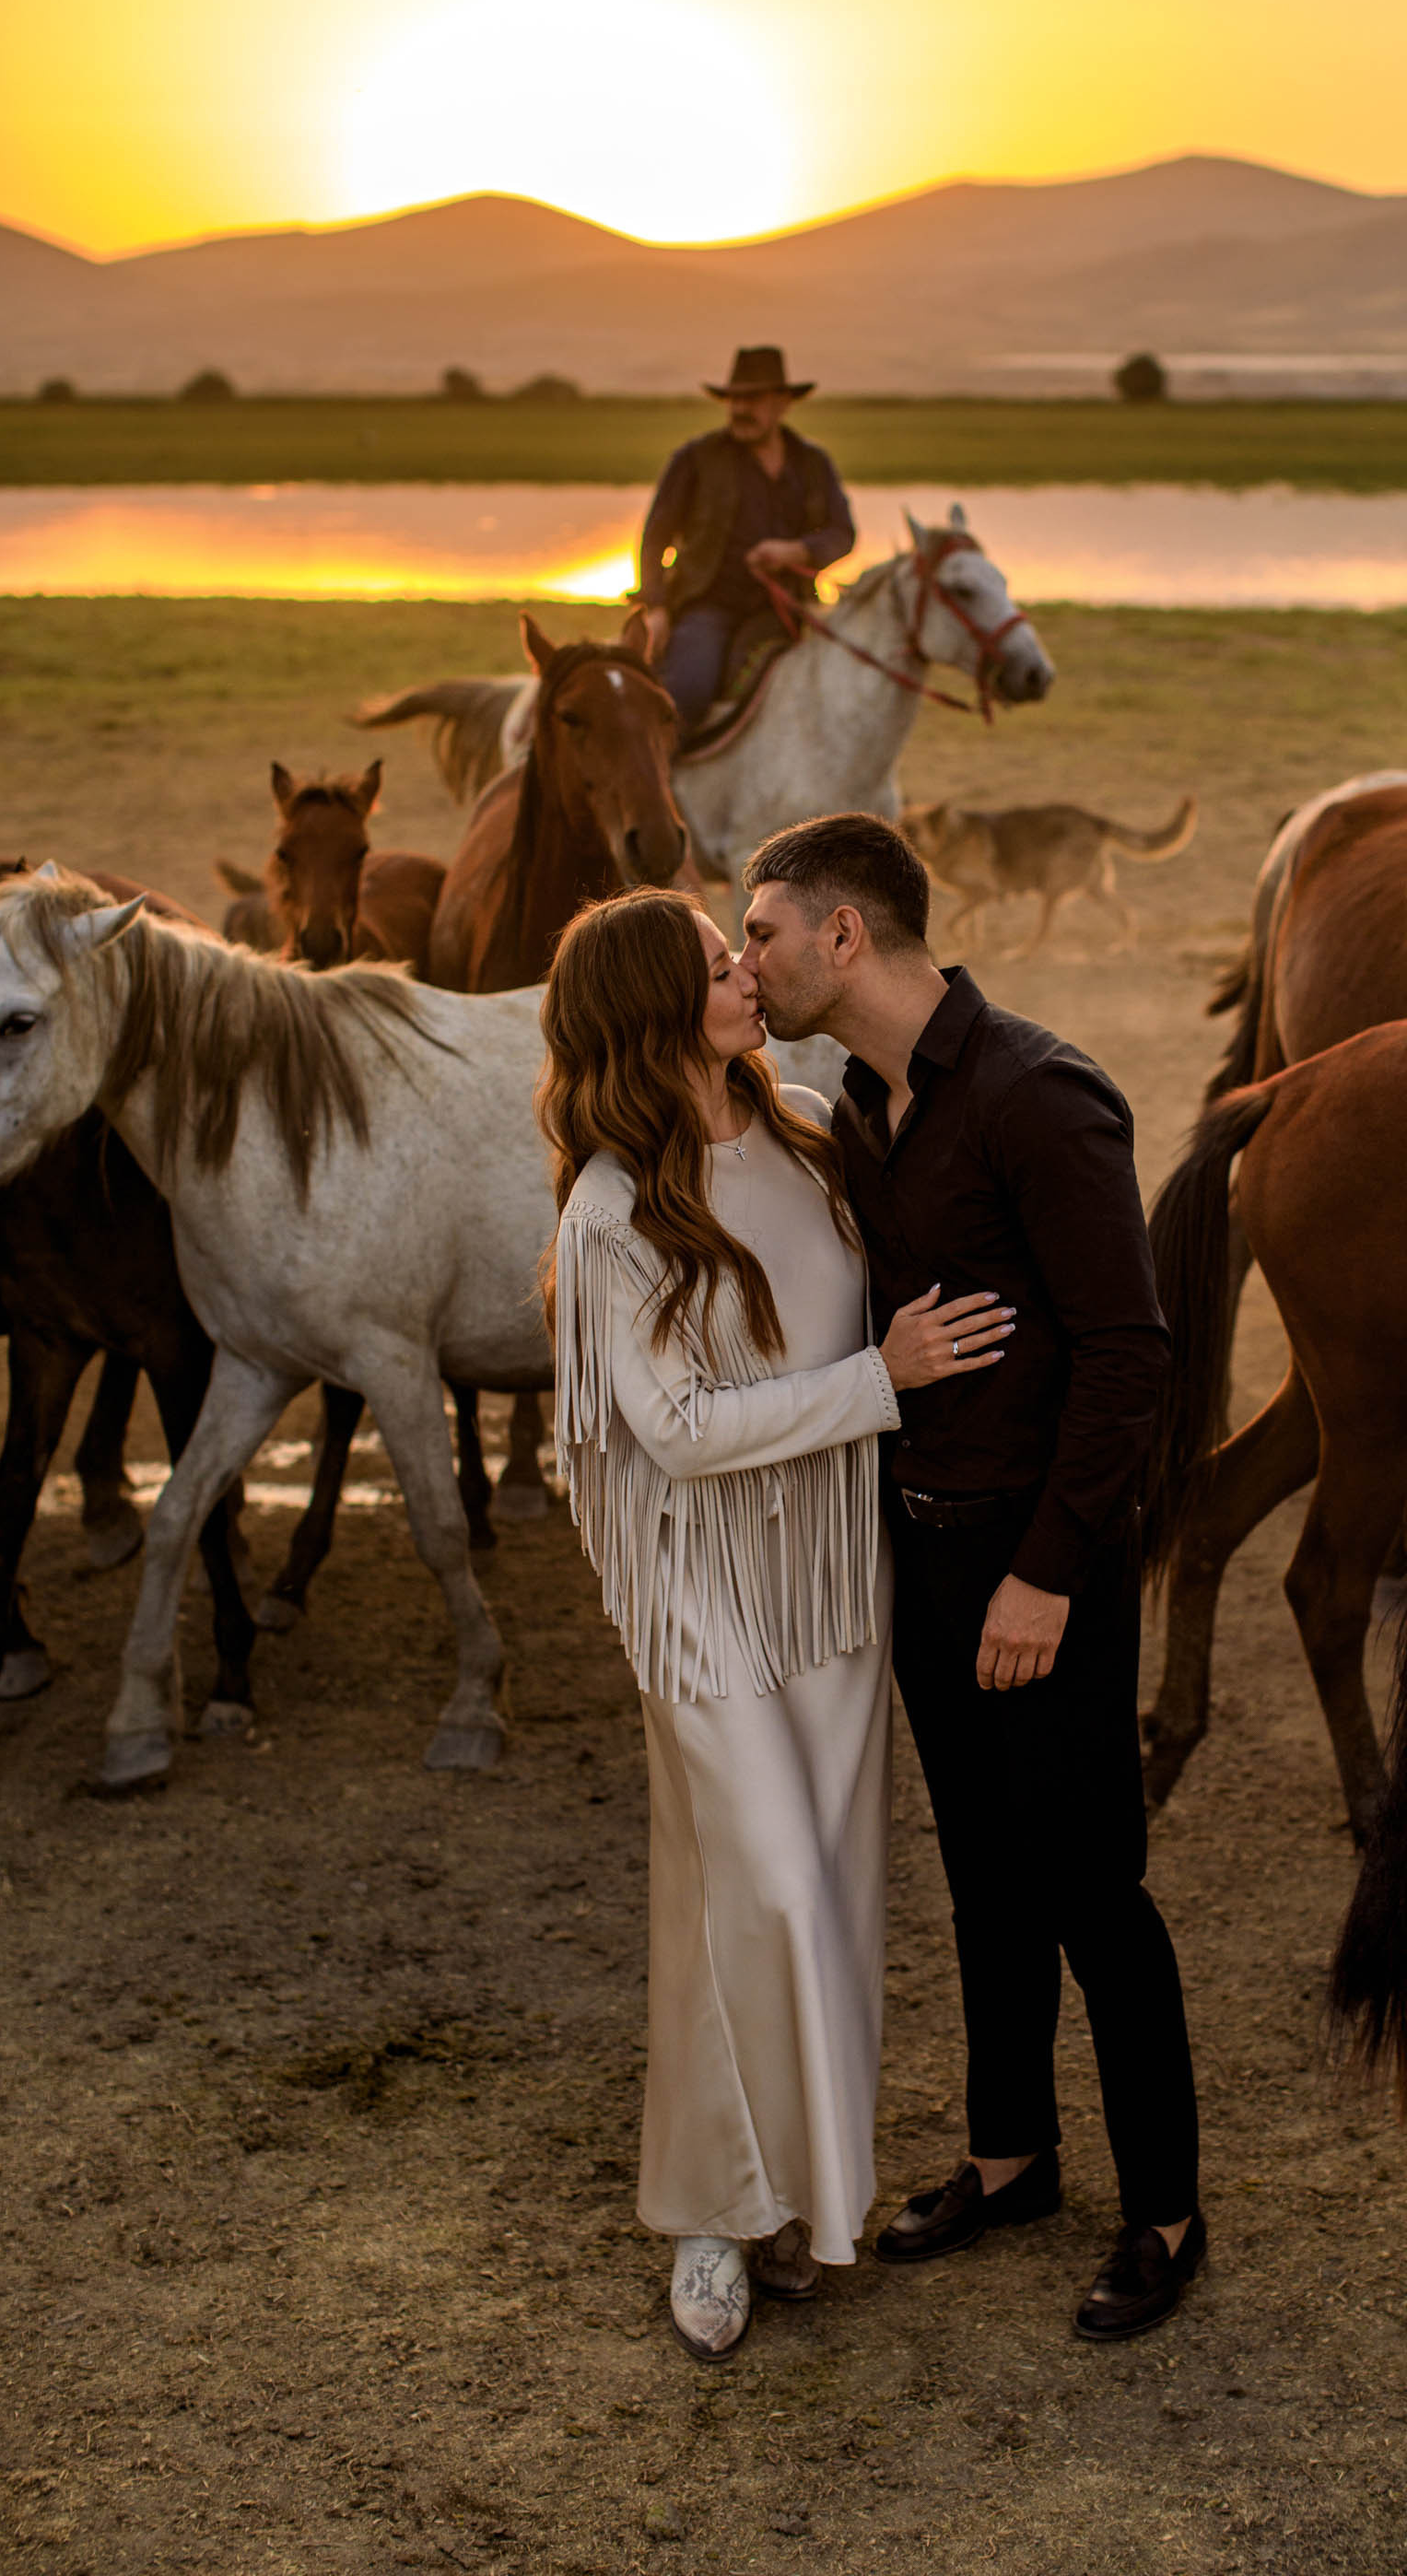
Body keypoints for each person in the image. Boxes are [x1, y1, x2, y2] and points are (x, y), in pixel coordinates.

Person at [737, 814, 1204, 2342]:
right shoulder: (864, 1108)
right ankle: (1011, 2161)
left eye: (763, 934)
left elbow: (1132, 1358)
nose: (749, 961)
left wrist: (1048, 1576)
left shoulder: (1039, 1097)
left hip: (1036, 1568)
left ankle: (1166, 2213)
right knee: (987, 1877)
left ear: (844, 937)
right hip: (923, 1554)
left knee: (1093, 1892)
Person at [540, 885, 1012, 2364]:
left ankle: (803, 2202)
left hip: (829, 1587)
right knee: (760, 1896)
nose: (748, 969)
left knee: (837, 1899)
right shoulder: (613, 1206)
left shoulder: (810, 1130)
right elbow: (671, 1431)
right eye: (715, 962)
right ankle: (706, 2210)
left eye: (738, 948)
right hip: (702, 1603)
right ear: (649, 1013)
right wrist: (888, 1380)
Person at [634, 346, 858, 737]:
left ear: (783, 403)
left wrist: (798, 551)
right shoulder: (696, 458)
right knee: (686, 691)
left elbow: (842, 533)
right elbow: (656, 537)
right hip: (707, 604)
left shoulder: (812, 463)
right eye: (734, 398)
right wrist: (655, 605)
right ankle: (666, 782)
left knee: (817, 695)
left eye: (752, 399)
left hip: (784, 605)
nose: (739, 409)